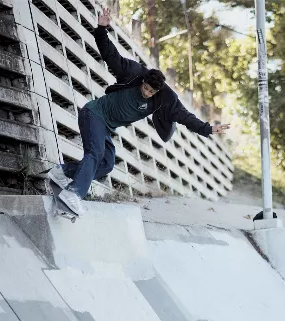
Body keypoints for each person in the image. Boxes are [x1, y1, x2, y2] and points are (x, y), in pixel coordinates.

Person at [48, 7, 230, 215]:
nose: (146, 92)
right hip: (94, 114)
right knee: (95, 153)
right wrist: (101, 29)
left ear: (158, 91)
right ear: (142, 81)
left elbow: (184, 117)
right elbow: (111, 55)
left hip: (106, 127)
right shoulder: (133, 73)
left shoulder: (165, 98)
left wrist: (207, 129)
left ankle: (61, 172)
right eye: (145, 88)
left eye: (151, 91)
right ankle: (74, 193)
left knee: (106, 164)